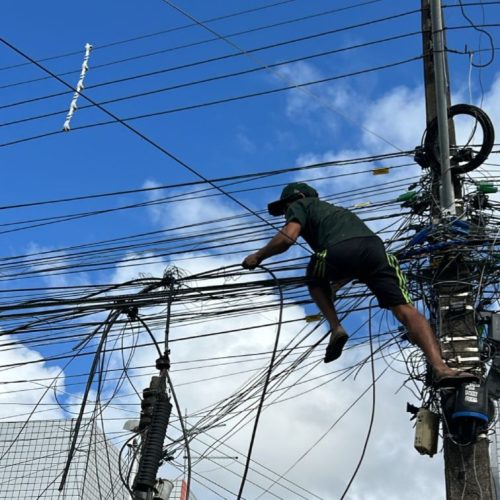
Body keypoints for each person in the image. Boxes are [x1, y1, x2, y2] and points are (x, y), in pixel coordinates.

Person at [242, 182, 477, 387]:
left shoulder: (301, 205)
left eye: (285, 207)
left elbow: (287, 238)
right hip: (376, 250)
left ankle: (336, 328)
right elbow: (355, 253)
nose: (285, 212)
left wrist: (258, 256)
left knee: (313, 278)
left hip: (338, 251)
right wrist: (336, 286)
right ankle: (441, 368)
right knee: (406, 311)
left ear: (299, 198)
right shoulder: (339, 213)